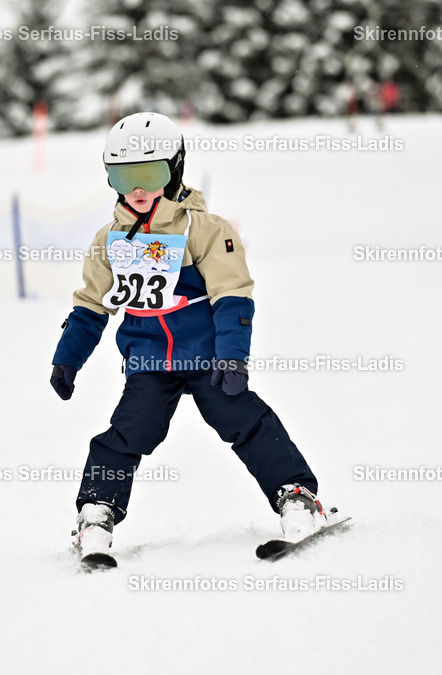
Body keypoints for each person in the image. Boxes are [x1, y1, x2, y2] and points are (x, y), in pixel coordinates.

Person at [51, 112, 332, 558]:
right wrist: (68, 357)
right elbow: (91, 305)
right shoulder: (110, 240)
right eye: (123, 177)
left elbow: (231, 295)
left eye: (149, 174)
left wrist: (232, 355)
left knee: (245, 420)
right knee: (127, 432)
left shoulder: (204, 229)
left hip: (207, 356)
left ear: (175, 169)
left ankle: (296, 496)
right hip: (148, 361)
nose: (137, 189)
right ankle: (96, 513)